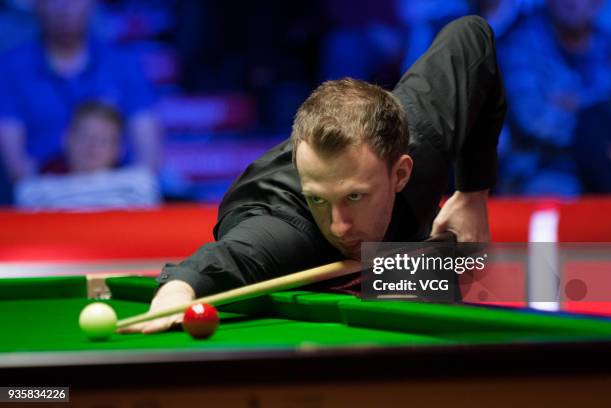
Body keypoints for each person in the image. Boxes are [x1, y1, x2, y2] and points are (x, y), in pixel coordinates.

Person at [121, 15, 506, 334]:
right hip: (280, 224)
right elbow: (229, 259)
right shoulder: (288, 233)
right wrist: (178, 290)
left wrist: (472, 193)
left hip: (377, 221)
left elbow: (473, 37)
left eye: (355, 196)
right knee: (431, 275)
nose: (339, 226)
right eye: (321, 200)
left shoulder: (422, 134)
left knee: (445, 271)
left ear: (401, 172)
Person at [0, 0, 161, 199]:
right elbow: (17, 166)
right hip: (43, 202)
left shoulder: (124, 63)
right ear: (37, 5)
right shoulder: (10, 68)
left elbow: (148, 155)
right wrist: (55, 196)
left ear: (92, 4)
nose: (64, 7)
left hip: (118, 197)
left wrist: (124, 192)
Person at [497, 0, 611, 195]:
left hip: (601, 161)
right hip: (540, 169)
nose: (571, 2)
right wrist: (595, 127)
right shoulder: (520, 41)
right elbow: (535, 119)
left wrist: (576, 106)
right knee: (554, 191)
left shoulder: (606, 44)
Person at [14, 101, 160, 210]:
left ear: (119, 148)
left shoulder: (138, 185)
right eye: (85, 136)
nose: (92, 146)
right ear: (66, 140)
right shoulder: (35, 190)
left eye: (102, 139)